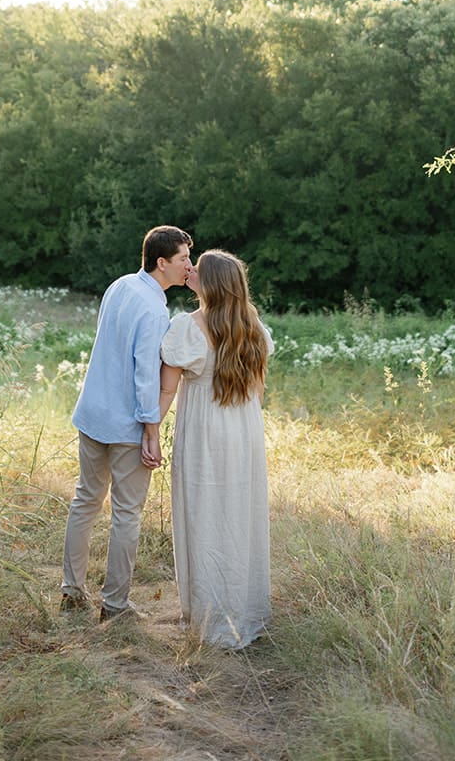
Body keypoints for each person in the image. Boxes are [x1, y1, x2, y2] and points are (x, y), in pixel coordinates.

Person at [61, 224, 195, 621]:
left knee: (85, 501)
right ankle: (115, 605)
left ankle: (71, 591)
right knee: (126, 514)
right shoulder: (155, 310)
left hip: (93, 413)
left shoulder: (120, 285)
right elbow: (144, 377)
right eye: (183, 258)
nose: (189, 265)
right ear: (161, 263)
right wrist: (151, 432)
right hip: (124, 425)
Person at [158, 248, 274, 648]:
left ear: (208, 283)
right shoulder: (252, 324)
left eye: (197, 269)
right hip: (243, 427)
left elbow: (168, 390)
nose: (189, 270)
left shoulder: (186, 326)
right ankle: (244, 610)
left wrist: (150, 431)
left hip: (205, 429)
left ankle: (209, 616)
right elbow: (258, 390)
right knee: (240, 515)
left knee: (204, 515)